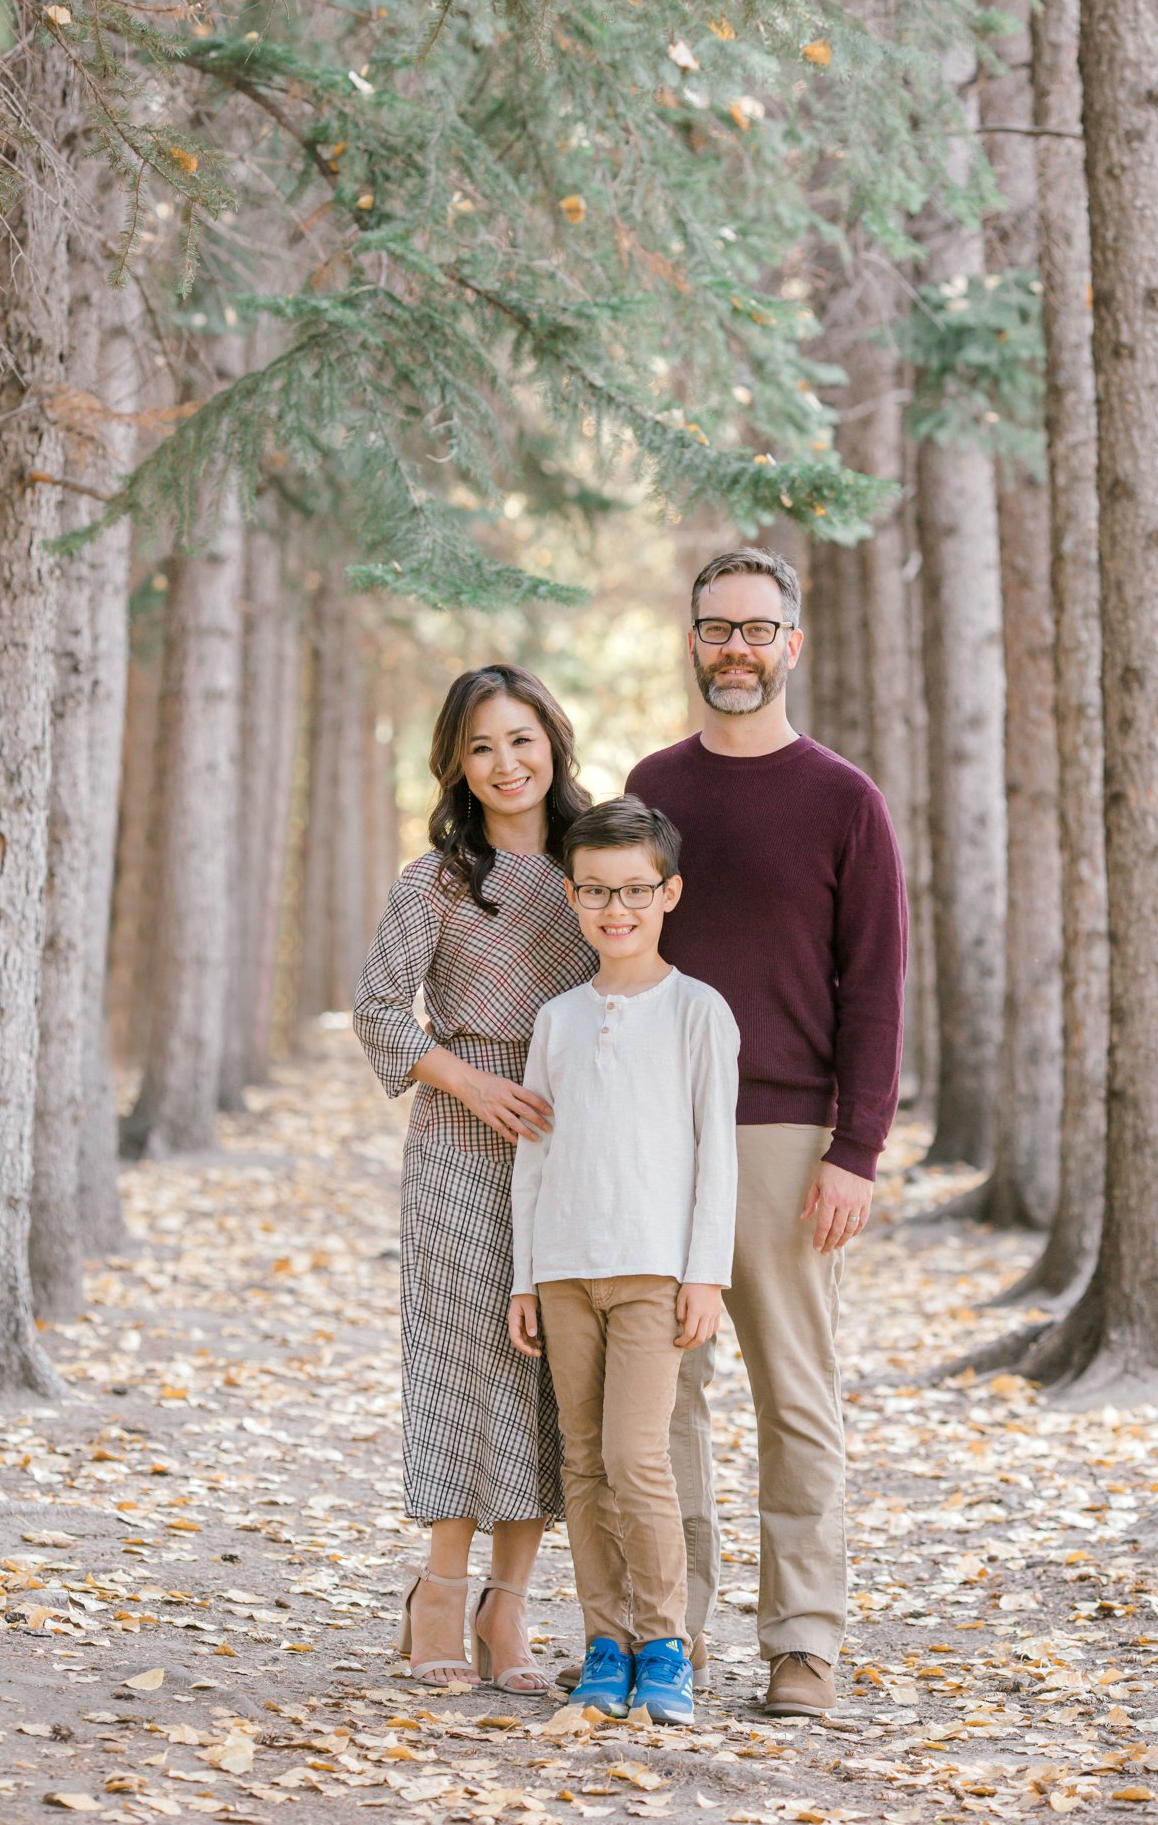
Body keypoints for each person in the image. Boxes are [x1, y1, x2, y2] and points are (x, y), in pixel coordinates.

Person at [626, 546, 907, 1717]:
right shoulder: (652, 787)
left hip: (785, 1137)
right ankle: (665, 1629)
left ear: (790, 644)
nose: (733, 647)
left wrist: (856, 1149)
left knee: (797, 1395)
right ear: (691, 639)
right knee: (660, 1402)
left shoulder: (844, 798)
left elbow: (878, 983)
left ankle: (803, 1640)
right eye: (714, 627)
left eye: (755, 628)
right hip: (653, 1135)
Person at [354, 664, 597, 1694]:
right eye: (482, 745)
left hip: (575, 1133)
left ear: (554, 741)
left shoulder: (597, 865)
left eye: (522, 738)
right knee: (465, 1359)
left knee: (548, 1369)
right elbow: (376, 1008)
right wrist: (464, 1078)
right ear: (456, 760)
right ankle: (439, 1592)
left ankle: (511, 1609)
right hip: (462, 1131)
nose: (506, 762)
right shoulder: (437, 880)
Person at [507, 797, 739, 1727]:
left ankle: (664, 1643)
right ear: (571, 896)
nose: (617, 909)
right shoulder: (556, 1018)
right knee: (583, 1463)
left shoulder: (696, 1012)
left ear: (668, 892)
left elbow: (714, 1151)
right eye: (597, 891)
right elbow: (533, 1156)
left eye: (635, 891)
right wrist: (525, 1276)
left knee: (639, 1458)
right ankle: (604, 1643)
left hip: (653, 1270)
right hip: (565, 1268)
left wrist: (705, 1272)